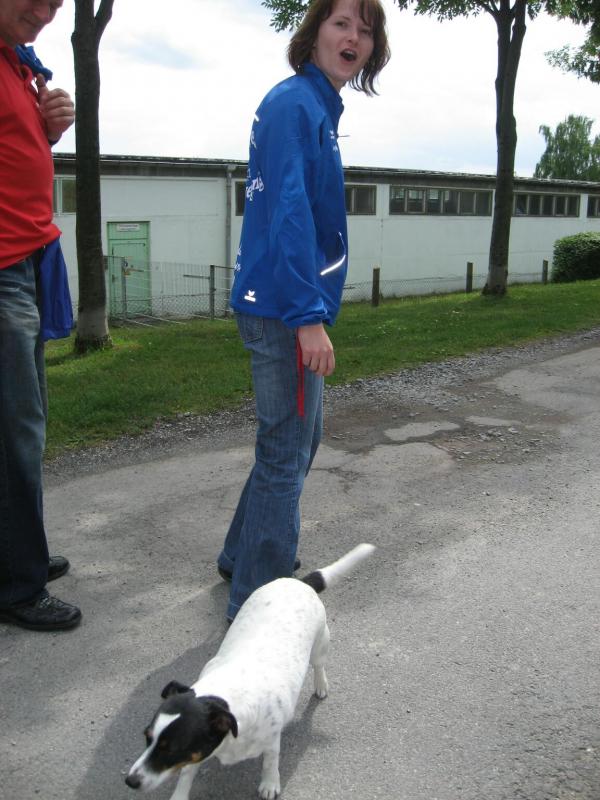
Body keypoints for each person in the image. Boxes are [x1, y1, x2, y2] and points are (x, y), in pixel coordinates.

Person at [217, 0, 390, 621]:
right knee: (286, 450)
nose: (354, 37)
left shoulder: (312, 105)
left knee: (293, 441)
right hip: (283, 307)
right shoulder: (297, 105)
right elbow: (289, 212)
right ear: (314, 33)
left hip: (282, 301)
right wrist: (307, 318)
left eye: (365, 30)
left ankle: (241, 555)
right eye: (342, 23)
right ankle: (257, 604)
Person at [0, 0, 81, 631]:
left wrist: (48, 131)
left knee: (24, 422)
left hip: (24, 264)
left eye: (57, 2)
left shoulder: (17, 63)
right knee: (14, 432)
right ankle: (16, 585)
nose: (45, 10)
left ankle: (17, 554)